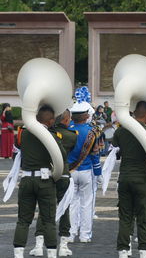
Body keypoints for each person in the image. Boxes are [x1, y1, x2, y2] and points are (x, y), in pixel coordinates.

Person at [13, 105, 66, 258]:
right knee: (49, 220)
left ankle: (18, 255)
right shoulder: (52, 135)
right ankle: (51, 254)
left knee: (23, 220)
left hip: (27, 179)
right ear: (50, 121)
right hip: (44, 181)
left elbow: (18, 146)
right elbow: (62, 156)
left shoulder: (24, 133)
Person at [113, 101, 146, 258]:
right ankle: (143, 252)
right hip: (142, 179)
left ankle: (123, 251)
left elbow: (115, 148)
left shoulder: (121, 132)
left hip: (124, 178)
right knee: (143, 218)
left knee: (125, 217)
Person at [29, 110, 78, 257]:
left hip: (47, 175)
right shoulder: (71, 136)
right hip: (63, 175)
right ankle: (63, 246)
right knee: (64, 210)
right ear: (66, 120)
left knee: (45, 210)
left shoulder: (43, 134)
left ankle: (38, 245)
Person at [68, 100, 102, 243]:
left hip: (70, 171)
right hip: (86, 170)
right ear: (85, 116)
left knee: (71, 203)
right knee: (87, 204)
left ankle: (70, 233)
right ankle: (85, 235)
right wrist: (98, 172)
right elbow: (95, 155)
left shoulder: (67, 130)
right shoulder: (92, 131)